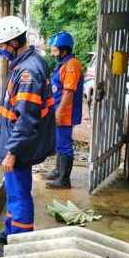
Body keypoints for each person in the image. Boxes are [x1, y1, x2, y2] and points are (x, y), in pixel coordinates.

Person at [0, 16, 56, 249]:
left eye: (2, 47)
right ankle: (11, 233)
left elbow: (26, 119)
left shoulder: (28, 72)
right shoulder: (26, 63)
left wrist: (12, 151)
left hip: (19, 146)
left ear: (15, 42)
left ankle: (19, 243)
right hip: (16, 143)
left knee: (19, 195)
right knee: (13, 190)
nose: (1, 52)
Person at [43, 31, 83, 190]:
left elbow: (69, 91)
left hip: (66, 112)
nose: (53, 54)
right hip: (60, 110)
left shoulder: (71, 65)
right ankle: (58, 171)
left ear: (64, 50)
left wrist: (59, 112)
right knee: (59, 142)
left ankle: (64, 180)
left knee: (64, 144)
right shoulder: (64, 64)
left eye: (55, 51)